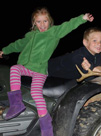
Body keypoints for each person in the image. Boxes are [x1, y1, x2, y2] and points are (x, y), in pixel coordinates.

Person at [0, 7, 94, 136]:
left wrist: (82, 18)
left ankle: (46, 125)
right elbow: (18, 44)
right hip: (26, 67)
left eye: (45, 21)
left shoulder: (53, 33)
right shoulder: (30, 35)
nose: (42, 25)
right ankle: (17, 103)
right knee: (14, 69)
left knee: (35, 92)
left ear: (49, 21)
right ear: (34, 23)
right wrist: (4, 50)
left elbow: (67, 26)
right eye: (39, 22)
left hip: (40, 70)